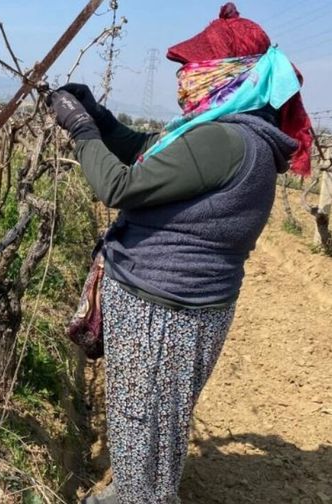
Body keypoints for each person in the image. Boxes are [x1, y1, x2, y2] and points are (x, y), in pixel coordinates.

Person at [47, 4, 313, 504]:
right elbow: (153, 151)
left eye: (194, 68)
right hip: (178, 308)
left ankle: (138, 496)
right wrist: (101, 119)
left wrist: (82, 130)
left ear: (228, 75)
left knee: (141, 420)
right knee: (153, 424)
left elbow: (119, 185)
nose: (184, 79)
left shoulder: (226, 139)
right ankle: (138, 490)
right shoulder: (238, 133)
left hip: (162, 312)